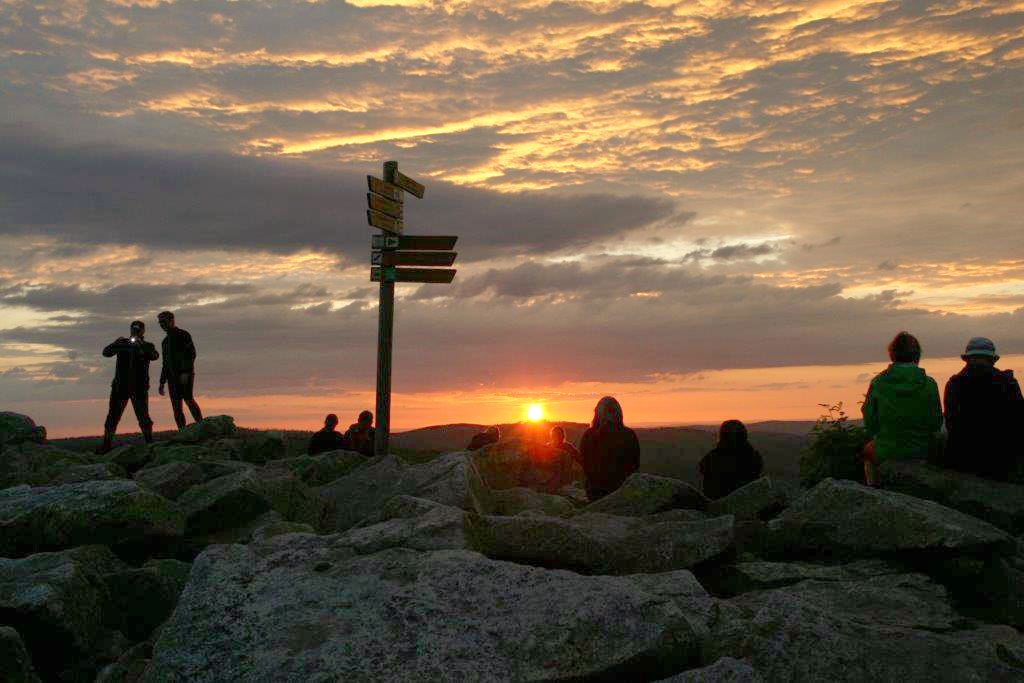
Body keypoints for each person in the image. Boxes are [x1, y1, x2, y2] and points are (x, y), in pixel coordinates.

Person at [861, 331, 943, 487]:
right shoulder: (929, 384)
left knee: (868, 451)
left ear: (892, 354)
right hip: (922, 450)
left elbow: (869, 420)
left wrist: (879, 436)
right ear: (917, 355)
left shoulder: (878, 382)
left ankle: (874, 490)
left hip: (887, 450)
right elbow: (936, 422)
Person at [943, 337, 1024, 480]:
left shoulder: (954, 384)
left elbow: (951, 423)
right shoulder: (1009, 383)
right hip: (1001, 463)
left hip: (963, 461)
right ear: (993, 360)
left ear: (967, 359)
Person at [97, 320, 160, 454]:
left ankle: (150, 444)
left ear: (143, 331)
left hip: (139, 388)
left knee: (143, 417)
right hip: (121, 387)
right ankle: (106, 445)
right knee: (113, 416)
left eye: (137, 330)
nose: (135, 332)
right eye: (133, 329)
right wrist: (116, 343)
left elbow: (155, 356)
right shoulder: (123, 344)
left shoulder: (147, 345)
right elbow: (106, 352)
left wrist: (141, 347)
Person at [578, 396, 640, 501]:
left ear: (597, 413)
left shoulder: (589, 435)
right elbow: (635, 466)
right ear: (619, 413)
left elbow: (584, 464)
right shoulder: (629, 435)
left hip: (595, 492)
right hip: (622, 491)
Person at [157, 311, 203, 430]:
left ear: (172, 320)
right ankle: (182, 431)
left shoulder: (183, 335)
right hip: (171, 378)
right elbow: (165, 363)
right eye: (160, 322)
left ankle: (201, 426)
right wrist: (162, 382)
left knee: (188, 399)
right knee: (176, 406)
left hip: (185, 375)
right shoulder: (165, 342)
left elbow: (191, 354)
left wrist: (185, 372)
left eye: (164, 322)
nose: (162, 325)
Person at [698, 420, 764, 499]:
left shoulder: (711, 458)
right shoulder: (753, 456)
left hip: (718, 501)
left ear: (722, 435)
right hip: (748, 499)